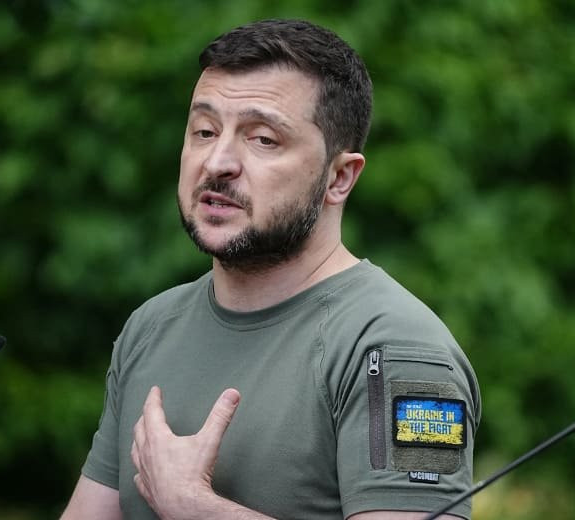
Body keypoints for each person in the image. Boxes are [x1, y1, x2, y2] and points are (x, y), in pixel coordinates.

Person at [61, 18, 481, 520]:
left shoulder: (394, 349)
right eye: (204, 131)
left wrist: (193, 507)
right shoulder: (151, 327)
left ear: (339, 177)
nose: (217, 162)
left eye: (262, 139)